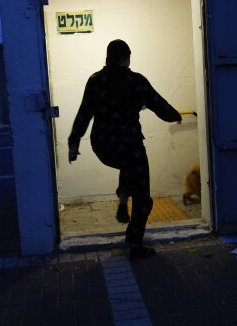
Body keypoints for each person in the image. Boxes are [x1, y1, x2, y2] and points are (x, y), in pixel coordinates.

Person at [68, 39, 182, 259]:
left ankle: (122, 201)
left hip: (103, 146)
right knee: (142, 195)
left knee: (127, 168)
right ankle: (136, 244)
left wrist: (74, 142)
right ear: (125, 58)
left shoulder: (95, 81)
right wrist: (174, 115)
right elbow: (158, 103)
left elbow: (84, 113)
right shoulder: (135, 81)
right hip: (130, 145)